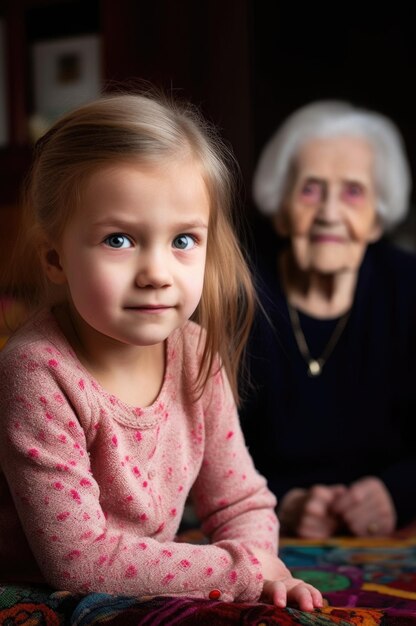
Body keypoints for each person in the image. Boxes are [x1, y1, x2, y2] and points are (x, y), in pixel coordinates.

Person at [0, 90, 323, 610]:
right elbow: (77, 558)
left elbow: (240, 499)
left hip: (139, 581)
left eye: (183, 240)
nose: (156, 274)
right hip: (39, 594)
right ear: (55, 258)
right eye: (120, 240)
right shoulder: (37, 370)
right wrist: (242, 569)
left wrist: (263, 575)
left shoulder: (195, 351)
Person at [239, 100, 416, 540]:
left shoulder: (410, 289)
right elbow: (204, 449)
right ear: (280, 209)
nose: (330, 214)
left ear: (378, 217)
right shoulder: (238, 297)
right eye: (310, 190)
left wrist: (397, 493)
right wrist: (279, 502)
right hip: (272, 532)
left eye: (353, 192)